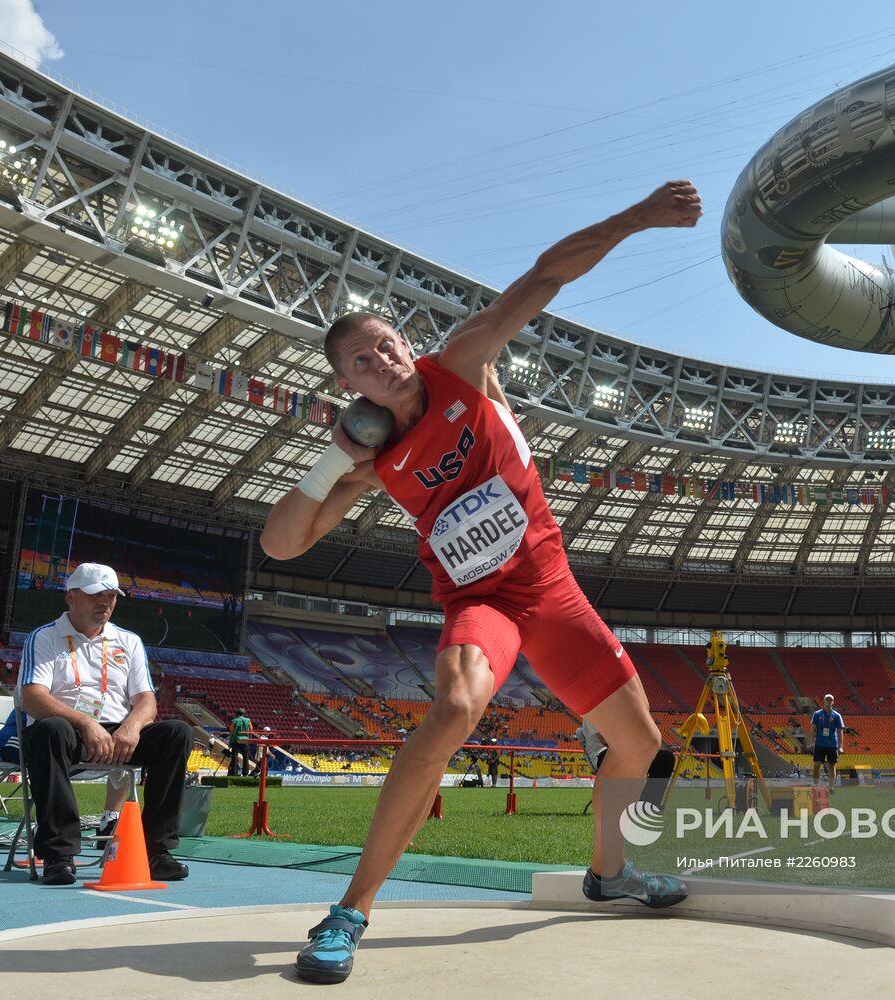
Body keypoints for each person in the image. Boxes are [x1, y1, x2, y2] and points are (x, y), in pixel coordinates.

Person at [261, 180, 702, 986]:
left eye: (387, 345)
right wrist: (332, 461)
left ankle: (612, 873)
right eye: (361, 362)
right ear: (348, 385)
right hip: (484, 603)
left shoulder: (464, 360)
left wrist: (638, 216)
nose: (382, 362)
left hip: (552, 587)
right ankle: (349, 912)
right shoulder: (371, 458)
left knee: (642, 744)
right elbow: (283, 543)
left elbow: (544, 276)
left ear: (405, 344)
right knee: (456, 709)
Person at [0, 563, 192, 885]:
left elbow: (146, 701)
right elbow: (32, 697)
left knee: (177, 733)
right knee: (50, 730)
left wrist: (131, 727)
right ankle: (59, 855)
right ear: (71, 597)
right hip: (66, 730)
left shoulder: (128, 641)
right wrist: (85, 723)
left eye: (111, 596)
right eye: (95, 595)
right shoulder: (44, 637)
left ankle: (156, 852)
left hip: (117, 732)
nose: (105, 602)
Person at [575, 717, 676, 808]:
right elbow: (605, 740)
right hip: (602, 754)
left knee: (665, 758)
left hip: (619, 751)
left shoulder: (615, 708)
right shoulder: (594, 710)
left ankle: (648, 805)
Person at [810, 694, 844, 788]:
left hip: (832, 744)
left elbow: (840, 731)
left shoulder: (837, 716)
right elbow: (813, 728)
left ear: (833, 702)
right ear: (823, 701)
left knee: (832, 766)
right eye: (827, 699)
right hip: (819, 743)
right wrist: (812, 742)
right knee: (816, 764)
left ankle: (831, 787)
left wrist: (840, 746)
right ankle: (815, 784)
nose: (829, 701)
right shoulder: (817, 714)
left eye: (831, 700)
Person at [227, 708, 253, 776]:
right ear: (244, 713)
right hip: (245, 740)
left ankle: (234, 772)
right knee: (245, 757)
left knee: (234, 757)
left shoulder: (234, 721)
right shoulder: (248, 720)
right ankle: (245, 773)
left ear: (236, 713)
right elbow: (251, 728)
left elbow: (231, 731)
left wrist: (230, 741)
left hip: (236, 740)